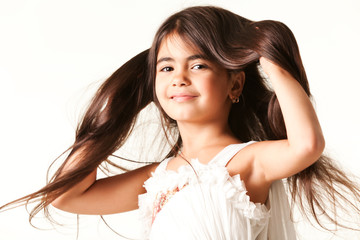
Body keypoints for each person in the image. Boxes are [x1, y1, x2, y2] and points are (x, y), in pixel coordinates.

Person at [1, 5, 359, 240]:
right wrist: (113, 114)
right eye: (167, 67)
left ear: (235, 83)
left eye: (199, 65)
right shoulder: (157, 178)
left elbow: (306, 145)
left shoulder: (247, 162)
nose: (180, 78)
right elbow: (67, 196)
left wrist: (271, 61)